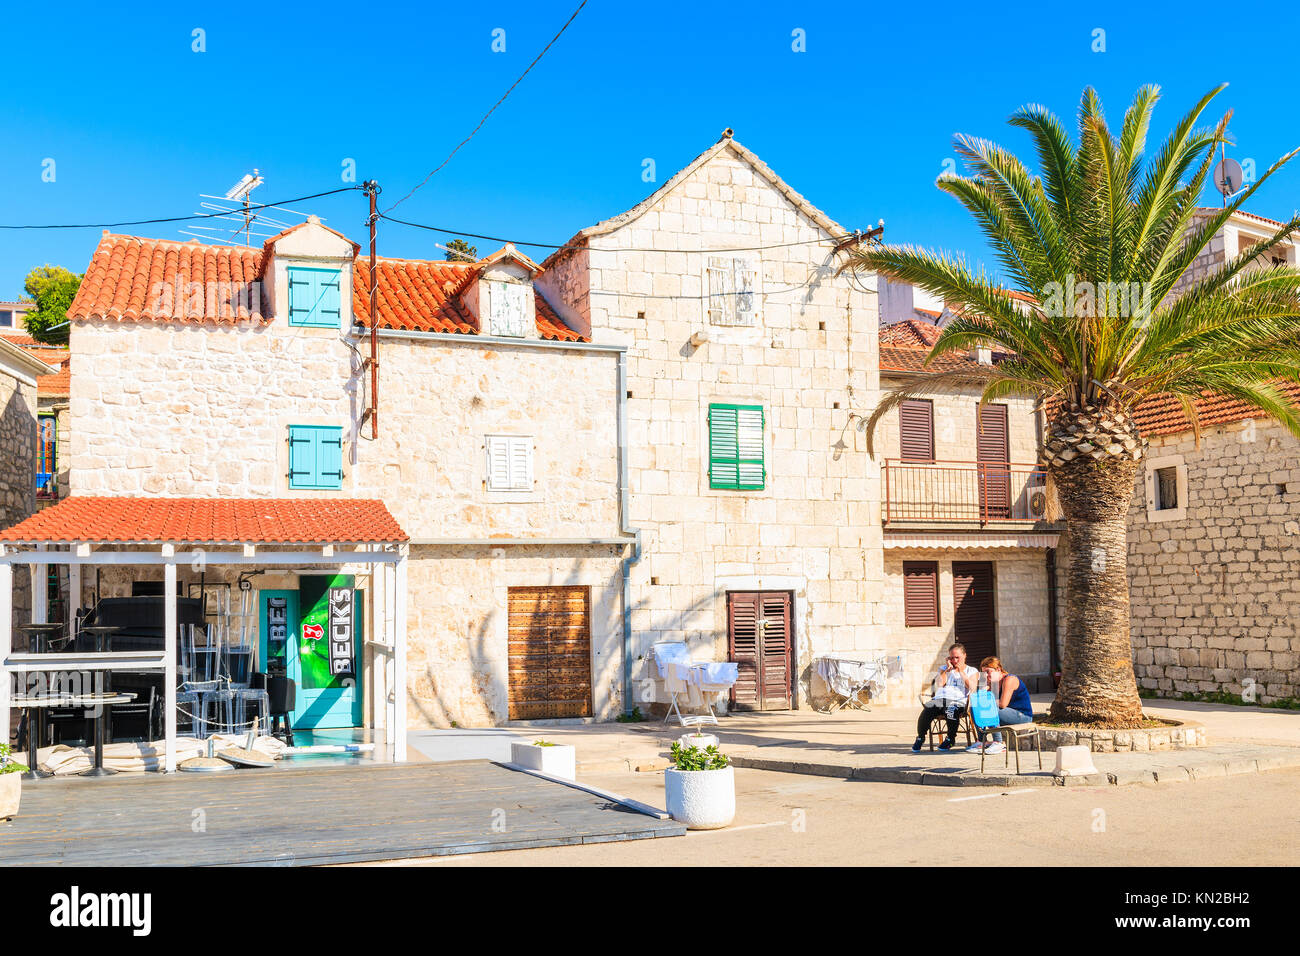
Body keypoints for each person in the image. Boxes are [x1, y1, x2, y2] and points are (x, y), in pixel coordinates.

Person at [911, 643, 977, 753]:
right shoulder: (943, 668)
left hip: (958, 701)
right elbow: (939, 684)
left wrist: (960, 671)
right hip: (940, 699)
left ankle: (950, 738)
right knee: (927, 710)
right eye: (952, 658)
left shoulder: (971, 670)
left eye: (957, 657)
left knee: (951, 710)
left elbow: (971, 686)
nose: (955, 660)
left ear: (964, 655)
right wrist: (947, 669)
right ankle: (920, 737)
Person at [966, 656, 1034, 754]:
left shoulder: (1010, 679)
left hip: (1023, 716)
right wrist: (982, 691)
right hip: (1006, 714)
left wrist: (986, 698)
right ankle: (981, 741)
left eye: (988, 672)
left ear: (998, 669)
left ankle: (999, 743)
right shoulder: (992, 682)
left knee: (990, 708)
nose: (986, 675)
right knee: (974, 706)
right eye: (983, 673)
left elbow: (1002, 704)